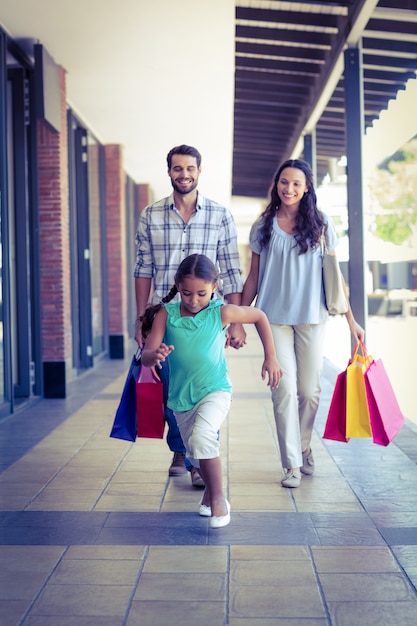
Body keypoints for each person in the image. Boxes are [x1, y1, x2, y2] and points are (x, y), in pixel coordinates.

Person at [241, 159, 364, 488]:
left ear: (307, 187)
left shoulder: (322, 225)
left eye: (296, 183)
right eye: (284, 182)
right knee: (283, 390)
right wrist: (236, 319)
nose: (289, 188)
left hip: (312, 318)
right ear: (276, 184)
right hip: (272, 320)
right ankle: (291, 464)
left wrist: (352, 321)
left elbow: (335, 278)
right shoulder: (263, 226)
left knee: (309, 392)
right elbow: (253, 278)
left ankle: (304, 444)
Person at [140, 254, 282, 527]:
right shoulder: (164, 315)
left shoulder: (221, 311)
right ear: (177, 286)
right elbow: (146, 355)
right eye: (187, 293)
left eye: (201, 294)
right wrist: (154, 355)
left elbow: (260, 316)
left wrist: (271, 356)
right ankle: (209, 494)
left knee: (204, 436)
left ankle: (218, 499)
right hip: (181, 398)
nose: (194, 300)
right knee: (195, 450)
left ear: (215, 286)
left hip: (215, 390)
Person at [134, 144, 246, 487]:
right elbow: (143, 270)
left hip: (207, 317)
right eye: (178, 168)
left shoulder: (220, 215)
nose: (184, 174)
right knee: (172, 386)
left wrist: (236, 322)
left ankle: (197, 457)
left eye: (190, 168)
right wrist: (141, 320)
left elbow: (231, 268)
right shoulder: (150, 215)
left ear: (199, 171)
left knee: (205, 384)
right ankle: (180, 448)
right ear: (169, 172)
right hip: (166, 316)